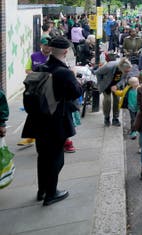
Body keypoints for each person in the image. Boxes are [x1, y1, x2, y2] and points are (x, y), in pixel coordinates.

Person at [21, 36, 82, 206]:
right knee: (56, 158)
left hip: (37, 120)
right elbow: (76, 92)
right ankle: (51, 193)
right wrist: (75, 75)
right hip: (55, 121)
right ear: (65, 51)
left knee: (43, 157)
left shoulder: (41, 67)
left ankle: (42, 190)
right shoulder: (64, 72)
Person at [95, 57, 133, 127]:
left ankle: (115, 118)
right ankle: (106, 117)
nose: (127, 72)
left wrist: (117, 86)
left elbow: (124, 79)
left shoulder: (127, 69)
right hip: (106, 84)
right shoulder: (109, 66)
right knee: (107, 100)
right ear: (121, 68)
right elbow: (97, 72)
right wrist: (100, 84)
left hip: (116, 85)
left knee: (117, 100)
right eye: (126, 71)